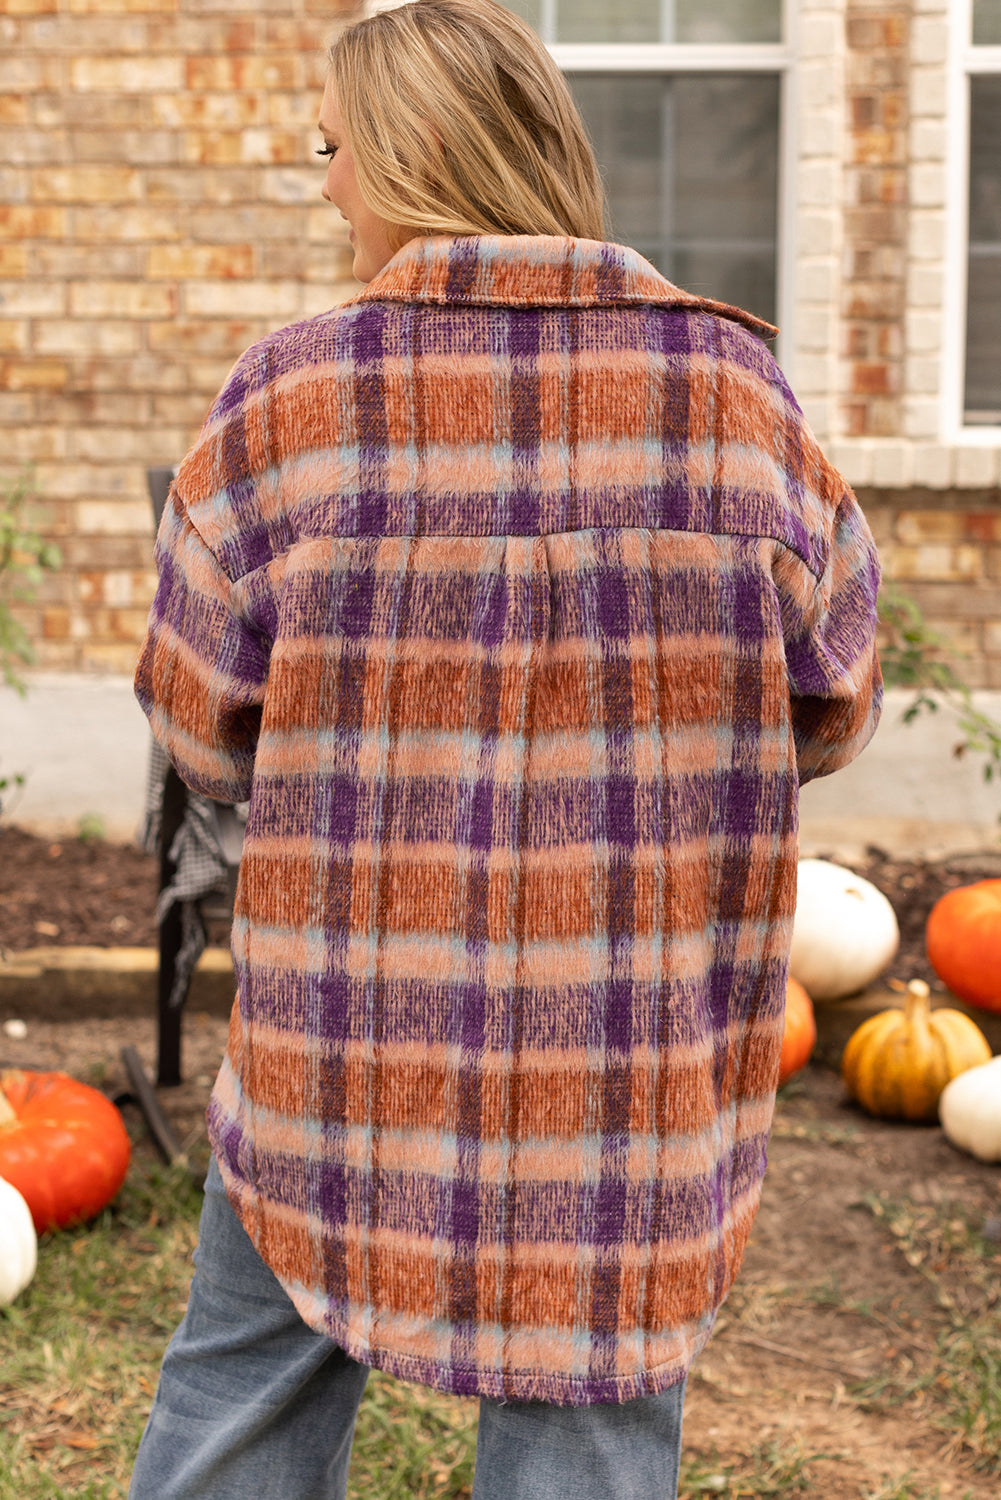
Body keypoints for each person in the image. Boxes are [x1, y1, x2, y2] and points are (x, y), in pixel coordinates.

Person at [129, 2, 883, 1496]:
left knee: (241, 1409)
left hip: (345, 1042)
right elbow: (833, 696)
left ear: (413, 155)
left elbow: (201, 728)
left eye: (334, 148)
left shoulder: (289, 402)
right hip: (629, 1059)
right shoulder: (734, 399)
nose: (326, 182)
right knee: (588, 1423)